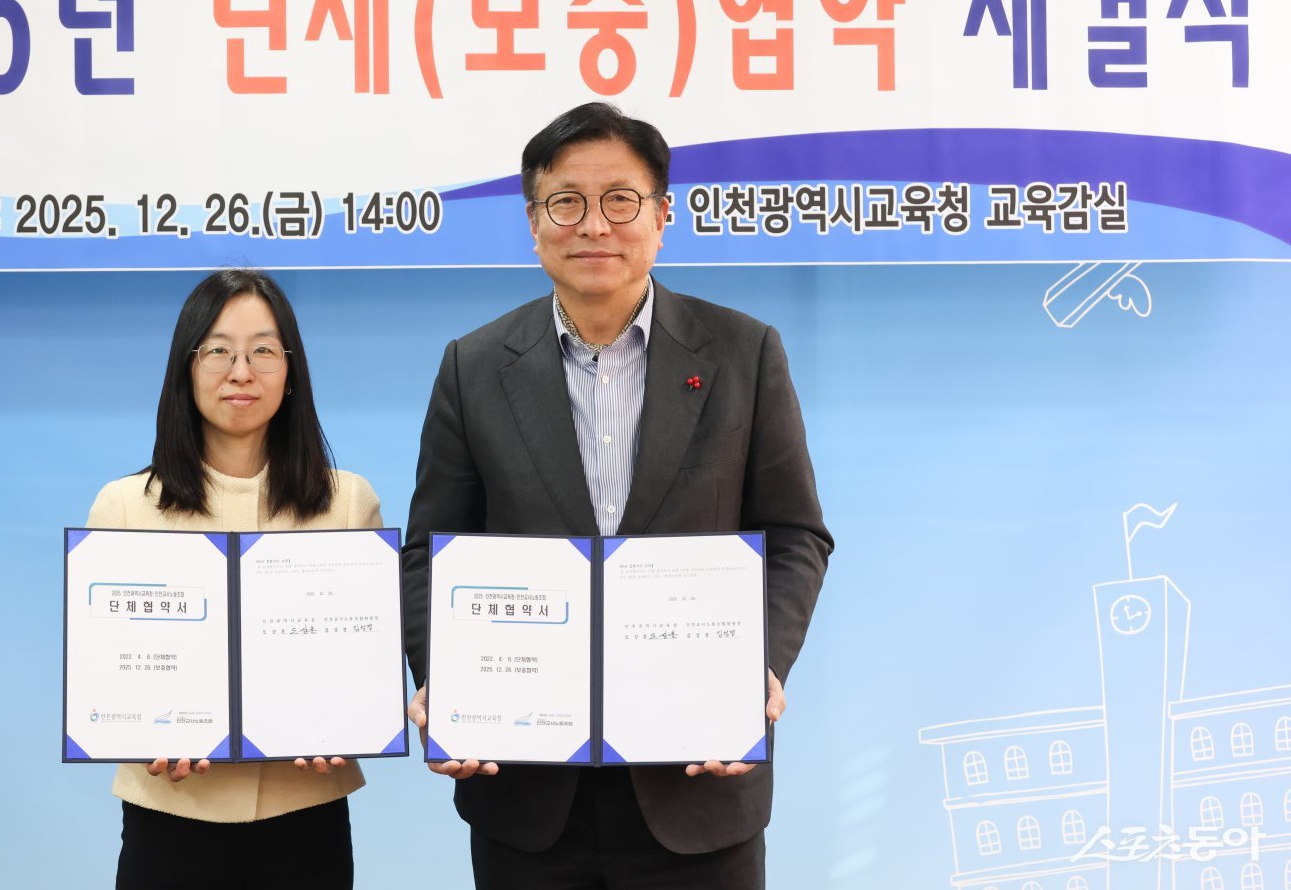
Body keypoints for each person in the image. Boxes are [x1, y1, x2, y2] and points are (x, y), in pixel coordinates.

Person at [400, 103, 834, 889]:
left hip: (698, 786)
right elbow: (430, 552)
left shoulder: (744, 354)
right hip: (527, 792)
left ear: (662, 217)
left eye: (620, 200)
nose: (594, 224)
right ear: (534, 223)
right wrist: (453, 689)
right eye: (566, 201)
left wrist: (756, 668)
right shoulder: (473, 366)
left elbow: (796, 533)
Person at [86, 269, 382, 890]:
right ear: (186, 369)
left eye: (263, 351)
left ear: (291, 371)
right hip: (171, 812)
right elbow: (107, 673)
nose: (241, 372)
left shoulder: (348, 502)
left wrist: (352, 719)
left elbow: (366, 662)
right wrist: (140, 729)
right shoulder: (124, 507)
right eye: (218, 350)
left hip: (305, 813)